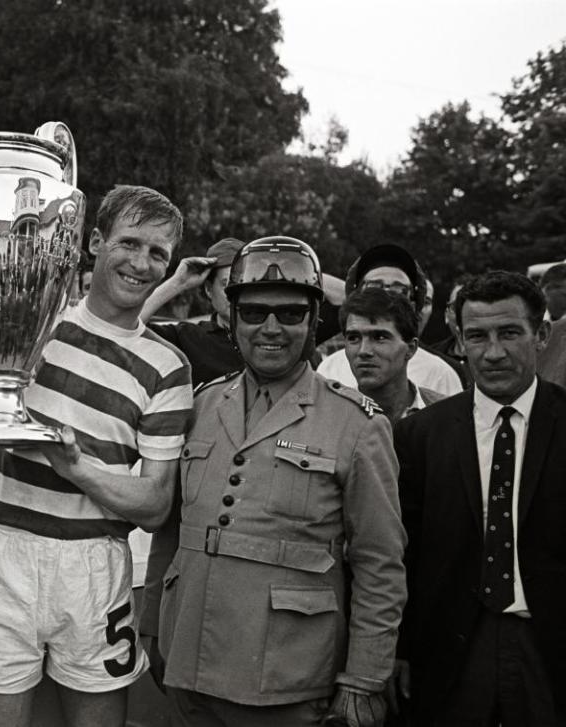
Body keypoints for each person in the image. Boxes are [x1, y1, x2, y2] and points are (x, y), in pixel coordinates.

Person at [0, 185, 193, 727]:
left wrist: (73, 465)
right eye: (129, 243)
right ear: (95, 242)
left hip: (94, 564)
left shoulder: (168, 367)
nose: (141, 263)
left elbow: (153, 506)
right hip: (2, 550)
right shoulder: (31, 320)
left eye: (158, 254)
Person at [141, 236, 406, 727]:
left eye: (289, 314)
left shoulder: (357, 424)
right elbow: (171, 534)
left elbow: (380, 564)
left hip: (288, 674)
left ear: (311, 323)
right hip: (189, 656)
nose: (270, 328)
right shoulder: (198, 405)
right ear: (232, 318)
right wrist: (153, 630)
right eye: (254, 312)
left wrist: (365, 677)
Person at [393, 270, 564, 725]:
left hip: (550, 651)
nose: (493, 353)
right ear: (459, 340)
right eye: (477, 336)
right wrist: (402, 648)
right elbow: (404, 553)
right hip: (451, 650)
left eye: (509, 333)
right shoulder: (418, 435)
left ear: (541, 333)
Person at [316, 244, 463, 396]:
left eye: (398, 289)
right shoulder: (330, 368)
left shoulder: (439, 374)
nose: (385, 296)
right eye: (374, 287)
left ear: (413, 303)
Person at [140, 237, 246, 386]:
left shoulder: (271, 333)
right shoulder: (188, 338)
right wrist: (178, 283)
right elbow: (125, 326)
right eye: (226, 284)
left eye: (242, 283)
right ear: (209, 290)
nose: (235, 294)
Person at [342, 287, 444, 421]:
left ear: (411, 348)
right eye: (353, 338)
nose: (363, 351)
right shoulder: (331, 416)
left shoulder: (444, 414)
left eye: (380, 337)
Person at [429, 274, 474, 387]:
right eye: (457, 306)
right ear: (446, 315)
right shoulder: (432, 357)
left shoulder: (495, 356)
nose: (462, 313)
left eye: (469, 305)